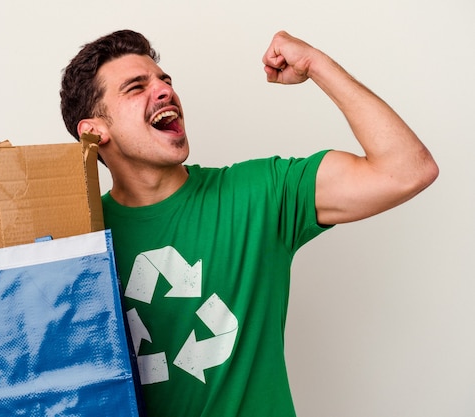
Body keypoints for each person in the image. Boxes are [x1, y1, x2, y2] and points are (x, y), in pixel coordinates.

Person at [60, 29, 438, 417]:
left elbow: (407, 170)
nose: (164, 91)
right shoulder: (78, 243)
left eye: (165, 80)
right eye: (136, 87)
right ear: (93, 131)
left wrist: (316, 64)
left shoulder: (261, 193)